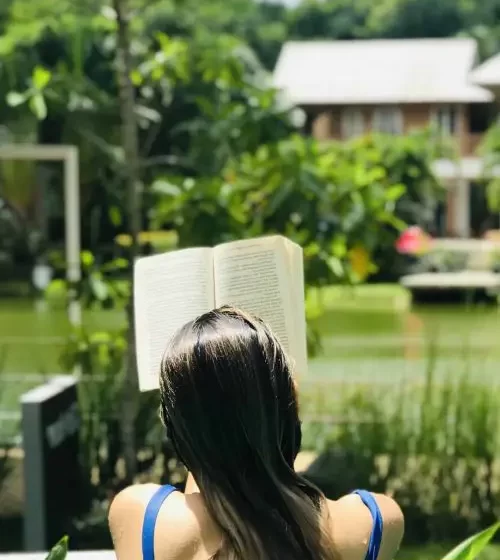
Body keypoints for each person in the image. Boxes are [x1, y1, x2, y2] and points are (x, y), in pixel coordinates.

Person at [109, 306, 404, 560]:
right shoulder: (375, 520)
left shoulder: (143, 515)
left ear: (176, 425)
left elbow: (209, 489)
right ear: (290, 405)